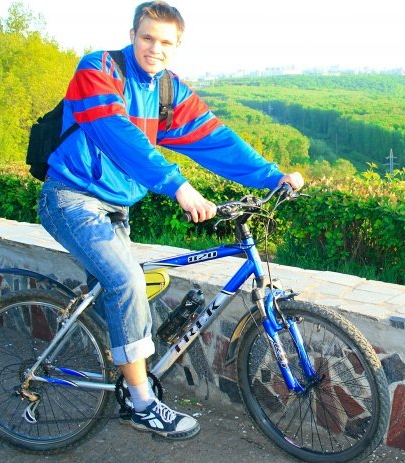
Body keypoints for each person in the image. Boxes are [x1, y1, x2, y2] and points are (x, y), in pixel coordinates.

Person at [37, 1, 303, 441]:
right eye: (147, 38)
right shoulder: (99, 70)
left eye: (165, 42)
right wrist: (177, 185)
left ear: (177, 45)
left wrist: (272, 176)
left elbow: (216, 140)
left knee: (124, 293)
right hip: (71, 198)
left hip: (116, 208)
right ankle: (141, 404)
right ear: (132, 35)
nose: (154, 49)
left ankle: (122, 373)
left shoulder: (167, 91)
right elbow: (117, 134)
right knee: (127, 283)